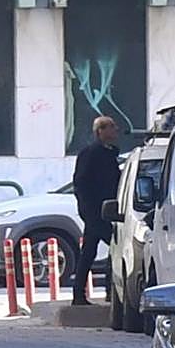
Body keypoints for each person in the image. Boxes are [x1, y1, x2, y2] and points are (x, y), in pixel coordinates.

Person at [71, 116, 120, 305]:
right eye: (111, 127)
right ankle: (106, 290)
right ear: (100, 131)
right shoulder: (91, 153)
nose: (115, 130)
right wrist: (88, 209)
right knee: (116, 246)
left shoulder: (109, 153)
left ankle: (83, 294)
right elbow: (81, 183)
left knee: (90, 251)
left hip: (108, 210)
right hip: (95, 211)